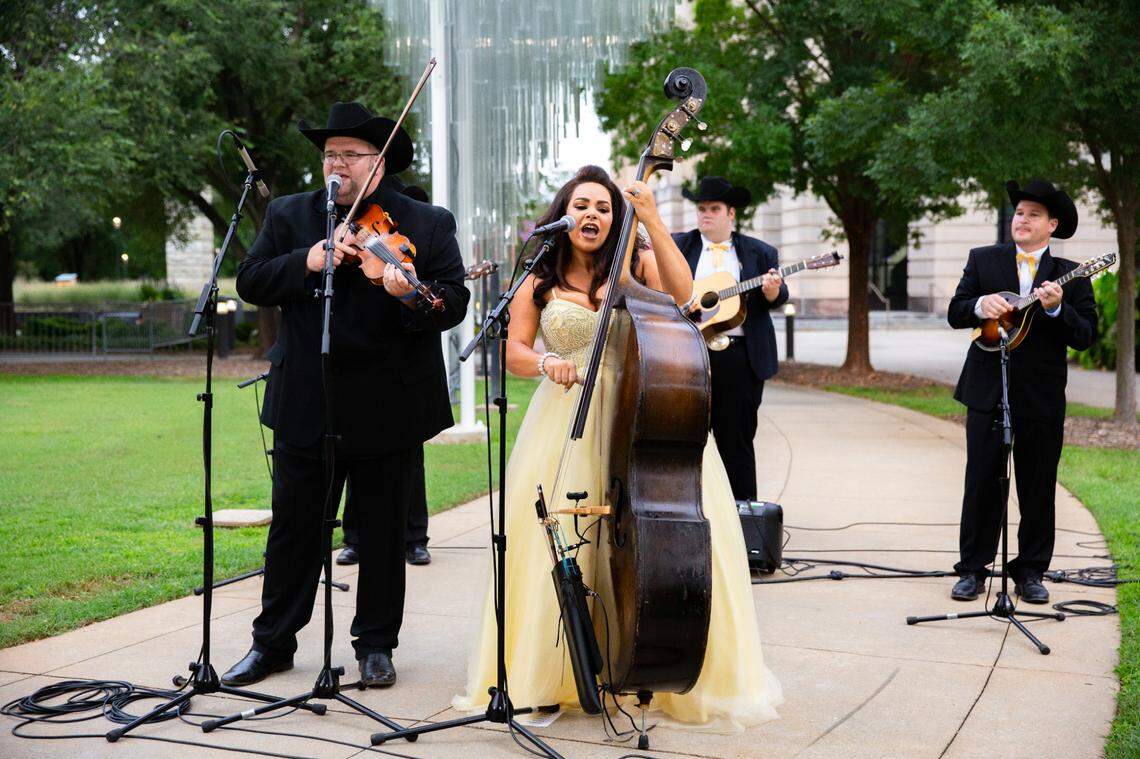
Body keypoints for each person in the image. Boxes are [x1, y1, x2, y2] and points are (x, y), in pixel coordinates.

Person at [454, 165, 781, 728]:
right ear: (565, 212)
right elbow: (515, 351)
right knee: (564, 543)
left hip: (645, 405)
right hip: (565, 416)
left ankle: (645, 661)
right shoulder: (538, 272)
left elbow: (688, 300)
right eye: (582, 205)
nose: (593, 215)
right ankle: (557, 671)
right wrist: (546, 363)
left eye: (604, 208)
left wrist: (650, 219)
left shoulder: (636, 263)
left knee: (646, 537)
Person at [223, 101, 469, 688]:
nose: (337, 164)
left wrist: (405, 291)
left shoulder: (426, 222)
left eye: (350, 155)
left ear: (378, 165)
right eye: (330, 154)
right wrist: (306, 261)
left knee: (383, 535)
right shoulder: (289, 215)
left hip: (389, 402)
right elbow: (250, 280)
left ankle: (376, 645)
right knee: (294, 530)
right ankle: (273, 643)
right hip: (309, 398)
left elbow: (452, 301)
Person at [947, 179, 1097, 604]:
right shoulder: (983, 260)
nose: (1022, 219)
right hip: (985, 389)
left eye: (1033, 214)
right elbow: (956, 312)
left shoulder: (1073, 276)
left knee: (1037, 487)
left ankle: (1030, 571)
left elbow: (1085, 335)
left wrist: (1055, 307)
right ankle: (972, 571)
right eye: (1018, 213)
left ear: (1052, 225)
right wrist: (981, 305)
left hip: (1041, 396)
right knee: (981, 483)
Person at [337, 183, 435, 569]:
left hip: (404, 372)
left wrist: (412, 292)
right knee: (353, 459)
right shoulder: (344, 216)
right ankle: (354, 538)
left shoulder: (424, 231)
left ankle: (416, 537)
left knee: (410, 464)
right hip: (354, 369)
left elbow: (441, 296)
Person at [673, 176, 787, 502]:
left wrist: (773, 289)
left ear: (731, 213)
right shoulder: (681, 246)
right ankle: (693, 509)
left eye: (714, 208)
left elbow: (778, 296)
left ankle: (744, 522)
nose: (705, 215)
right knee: (686, 437)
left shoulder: (759, 252)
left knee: (736, 441)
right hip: (692, 355)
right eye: (701, 209)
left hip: (741, 358)